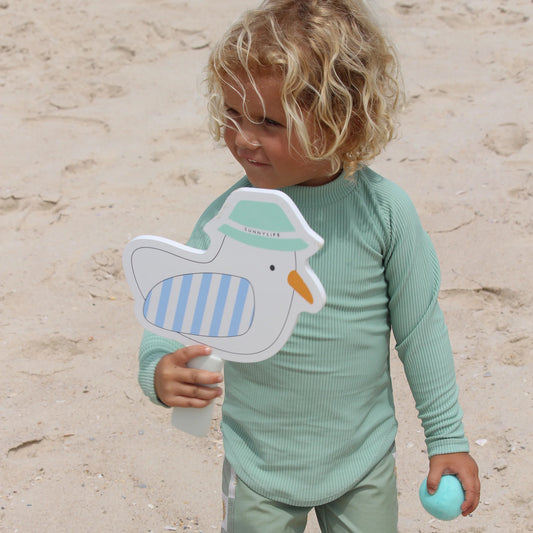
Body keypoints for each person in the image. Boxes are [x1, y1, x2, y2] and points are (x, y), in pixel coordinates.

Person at [137, 1, 480, 531]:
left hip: (362, 459)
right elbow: (175, 310)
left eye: (269, 122)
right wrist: (159, 369)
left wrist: (447, 438)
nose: (243, 137)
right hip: (259, 464)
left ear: (341, 120)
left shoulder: (384, 212)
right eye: (233, 114)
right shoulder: (230, 220)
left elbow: (420, 328)